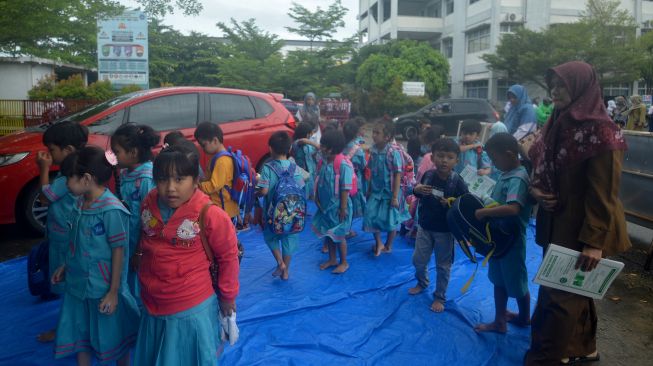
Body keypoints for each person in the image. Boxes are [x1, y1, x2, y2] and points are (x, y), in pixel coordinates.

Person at [526, 61, 631, 365]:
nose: (555, 91)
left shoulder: (602, 132)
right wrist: (536, 191)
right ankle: (585, 349)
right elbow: (539, 166)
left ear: (581, 87)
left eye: (562, 85)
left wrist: (594, 242)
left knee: (558, 299)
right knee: (575, 292)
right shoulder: (558, 122)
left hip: (583, 227)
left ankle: (545, 359)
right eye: (553, 85)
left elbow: (604, 191)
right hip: (557, 222)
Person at [134, 143, 240, 365]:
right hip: (152, 304)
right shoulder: (149, 202)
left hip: (190, 308)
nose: (170, 188)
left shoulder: (210, 215)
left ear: (195, 181)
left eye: (179, 179)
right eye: (163, 180)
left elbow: (228, 257)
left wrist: (227, 296)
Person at [52, 146, 139, 366]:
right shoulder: (80, 203)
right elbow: (75, 241)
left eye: (68, 179)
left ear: (87, 178)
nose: (66, 185)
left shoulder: (111, 210)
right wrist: (65, 266)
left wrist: (113, 292)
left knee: (113, 333)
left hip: (102, 288)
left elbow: (119, 251)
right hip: (78, 285)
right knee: (81, 332)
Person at [473, 133, 532, 334]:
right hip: (499, 238)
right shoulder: (507, 174)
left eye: (495, 159)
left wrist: (485, 212)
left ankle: (524, 317)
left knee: (517, 282)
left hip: (512, 240)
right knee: (498, 279)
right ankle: (500, 320)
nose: (494, 164)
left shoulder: (518, 177)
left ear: (508, 154)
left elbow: (513, 208)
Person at [35, 121, 88, 343]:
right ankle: (72, 326)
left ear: (68, 150)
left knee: (68, 288)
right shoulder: (75, 173)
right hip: (67, 238)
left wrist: (43, 169)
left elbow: (44, 198)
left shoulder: (66, 179)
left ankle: (66, 331)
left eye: (51, 150)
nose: (49, 154)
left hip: (65, 241)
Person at [409, 138, 468, 313]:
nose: (444, 160)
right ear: (432, 157)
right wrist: (416, 190)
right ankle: (422, 282)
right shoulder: (428, 175)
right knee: (418, 260)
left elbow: (466, 202)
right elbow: (418, 192)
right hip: (425, 227)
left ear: (456, 160)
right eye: (440, 156)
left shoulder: (457, 181)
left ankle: (439, 296)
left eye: (449, 157)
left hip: (445, 231)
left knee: (443, 266)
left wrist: (451, 202)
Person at [111, 123, 159, 307]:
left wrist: (139, 251)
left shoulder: (145, 180)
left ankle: (139, 318)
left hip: (139, 244)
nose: (114, 156)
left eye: (117, 152)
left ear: (132, 153)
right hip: (127, 240)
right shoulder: (127, 173)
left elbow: (150, 220)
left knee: (139, 281)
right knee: (128, 278)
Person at [256, 132, 305, 280]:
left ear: (270, 148)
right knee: (289, 240)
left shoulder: (267, 168)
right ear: (290, 148)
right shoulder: (295, 167)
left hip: (272, 213)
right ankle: (286, 271)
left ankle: (280, 262)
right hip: (293, 213)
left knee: (270, 237)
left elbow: (263, 191)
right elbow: (301, 186)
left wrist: (256, 194)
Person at [363, 120, 411, 256]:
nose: (373, 135)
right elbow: (371, 171)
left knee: (391, 220)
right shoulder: (373, 150)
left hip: (390, 192)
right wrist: (369, 189)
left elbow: (397, 175)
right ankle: (379, 242)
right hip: (376, 191)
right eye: (373, 132)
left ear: (387, 136)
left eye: (377, 133)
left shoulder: (392, 152)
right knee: (370, 215)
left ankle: (388, 245)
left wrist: (395, 197)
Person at [312, 129, 354, 274]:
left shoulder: (343, 165)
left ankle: (344, 262)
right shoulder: (323, 162)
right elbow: (319, 181)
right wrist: (316, 198)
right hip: (325, 207)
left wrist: (343, 208)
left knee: (339, 236)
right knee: (328, 234)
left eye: (325, 146)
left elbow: (345, 188)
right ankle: (332, 259)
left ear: (334, 147)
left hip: (337, 207)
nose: (321, 148)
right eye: (322, 144)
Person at [194, 122, 240, 221]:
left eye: (204, 145)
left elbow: (215, 185)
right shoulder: (217, 157)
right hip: (221, 206)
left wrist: (198, 186)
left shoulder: (222, 161)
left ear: (215, 140)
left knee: (223, 235)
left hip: (224, 209)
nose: (203, 149)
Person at [343, 120, 367, 237]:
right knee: (350, 205)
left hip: (340, 178)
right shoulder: (357, 149)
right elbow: (363, 165)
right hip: (353, 180)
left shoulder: (340, 144)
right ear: (356, 133)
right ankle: (346, 230)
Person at [292, 122, 318, 200]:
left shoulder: (308, 146)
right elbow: (302, 141)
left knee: (311, 195)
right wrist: (314, 144)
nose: (310, 136)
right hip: (300, 175)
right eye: (309, 133)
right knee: (301, 195)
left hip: (310, 176)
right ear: (305, 133)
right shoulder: (297, 143)